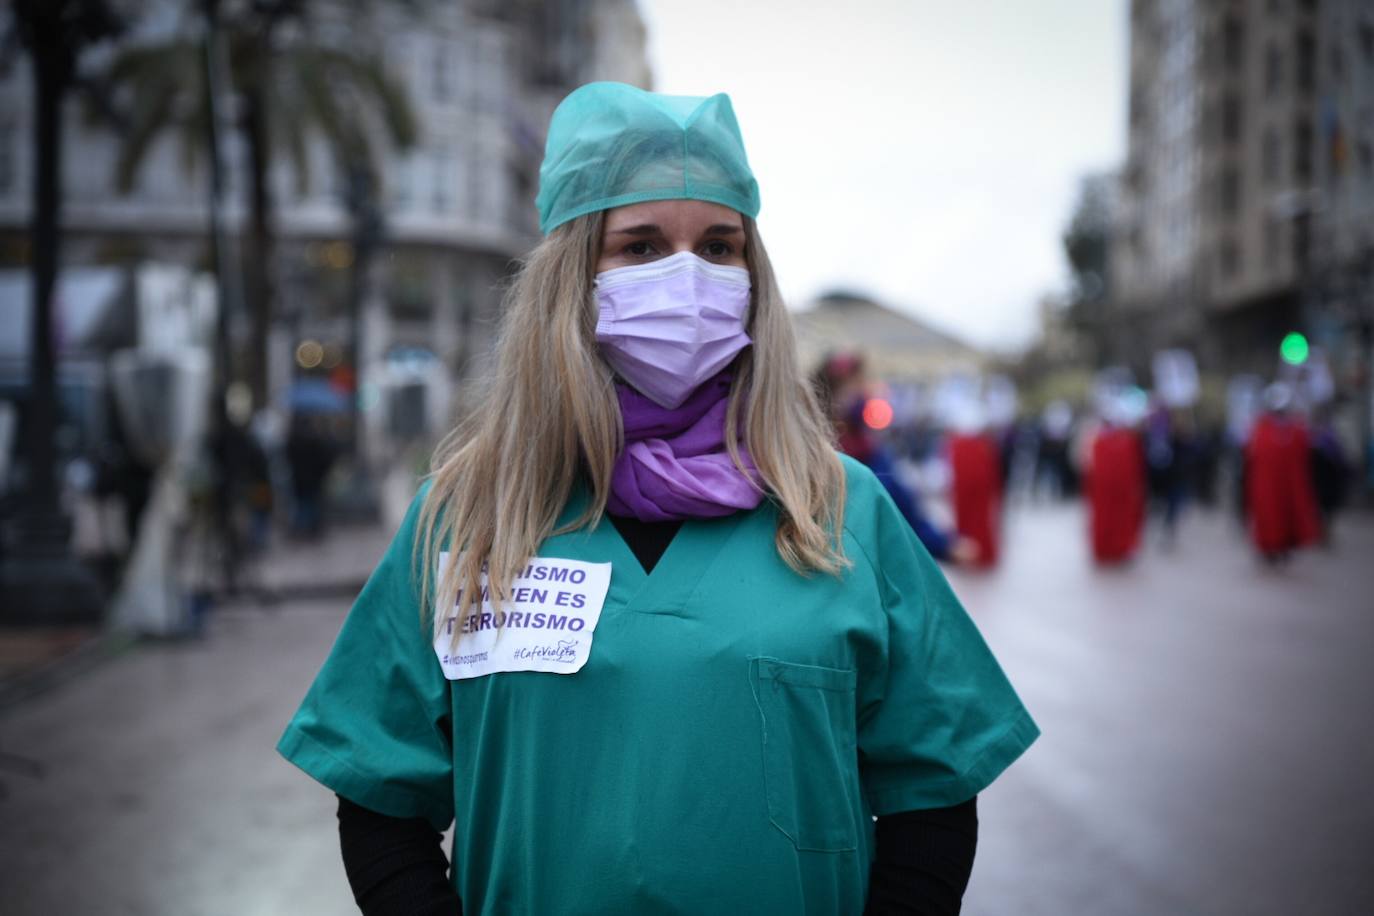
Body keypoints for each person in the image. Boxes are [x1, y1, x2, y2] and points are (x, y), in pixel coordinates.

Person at [278, 82, 1037, 915]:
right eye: (639, 247)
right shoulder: (465, 516)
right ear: (572, 278)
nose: (689, 278)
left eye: (720, 245)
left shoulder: (840, 510)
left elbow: (933, 791)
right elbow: (382, 801)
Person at [812, 351, 981, 566]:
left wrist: (944, 544)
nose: (861, 394)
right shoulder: (810, 451)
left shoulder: (872, 451)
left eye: (860, 385)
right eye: (850, 387)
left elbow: (903, 508)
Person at [1244, 383, 1321, 563]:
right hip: (1266, 484)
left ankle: (1284, 545)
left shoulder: (1294, 429)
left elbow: (1303, 452)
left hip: (1287, 484)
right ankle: (1268, 547)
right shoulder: (1261, 428)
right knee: (1268, 517)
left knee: (1286, 516)